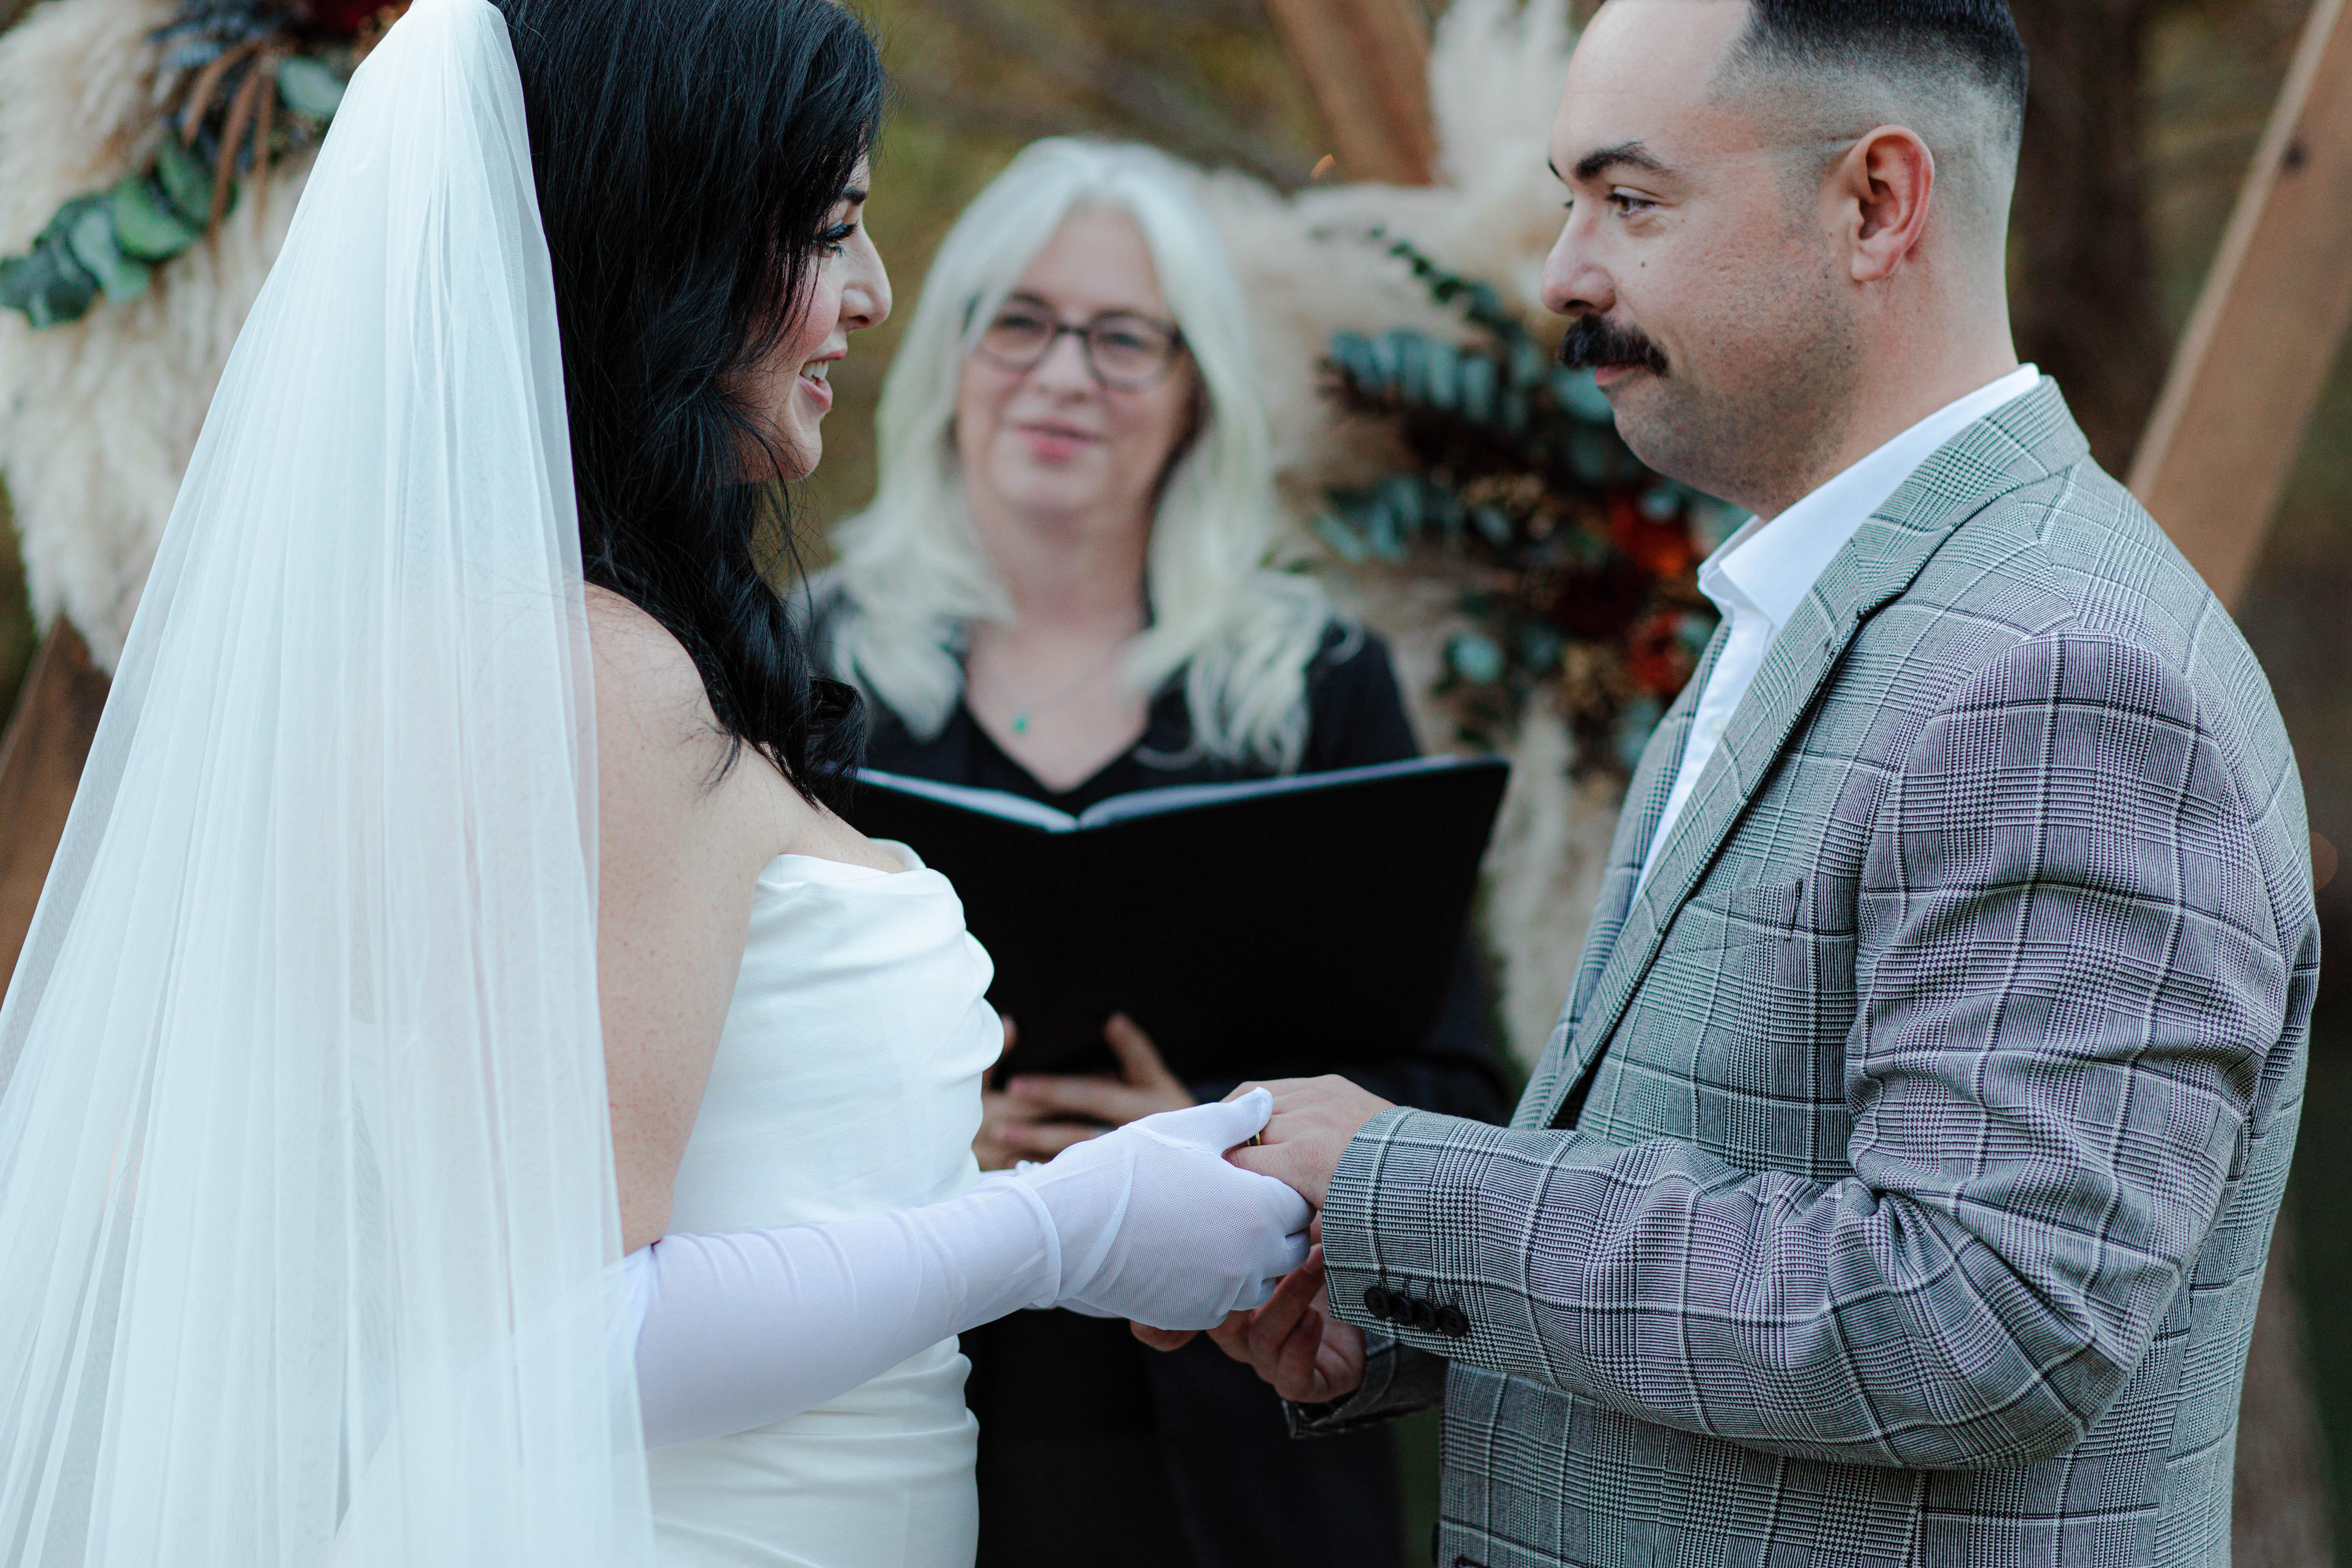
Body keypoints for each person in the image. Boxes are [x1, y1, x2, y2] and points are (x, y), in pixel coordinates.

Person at [0, 4, 1312, 1565]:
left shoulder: (547, 640)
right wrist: (1057, 1230)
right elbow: (561, 1342)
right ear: (669, 237)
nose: (873, 294)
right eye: (827, 229)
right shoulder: (581, 673)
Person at [1185, 4, 2320, 1567]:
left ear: (1875, 205)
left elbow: (1984, 1320)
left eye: (1629, 200)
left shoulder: (2061, 675)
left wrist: (1409, 1191)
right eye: (1572, 201)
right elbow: (1738, 1178)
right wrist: (1388, 1309)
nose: (1563, 274)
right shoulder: (1815, 598)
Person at [812, 139, 1509, 1568]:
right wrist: (926, 1144)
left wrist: (1208, 1140)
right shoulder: (796, 668)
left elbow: (1453, 1095)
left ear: (1197, 392)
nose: (1065, 375)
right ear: (950, 353)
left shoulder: (1318, 688)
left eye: (1125, 338)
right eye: (1021, 321)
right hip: (885, 1423)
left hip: (1239, 1470)